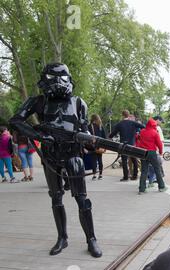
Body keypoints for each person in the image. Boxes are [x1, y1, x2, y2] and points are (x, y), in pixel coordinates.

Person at [9, 63, 102, 257]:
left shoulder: (78, 102)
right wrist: (39, 135)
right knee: (56, 197)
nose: (59, 82)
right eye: (54, 77)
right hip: (50, 156)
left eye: (63, 77)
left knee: (82, 199)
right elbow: (16, 120)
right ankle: (62, 237)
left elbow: (84, 127)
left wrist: (89, 140)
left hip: (73, 154)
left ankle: (91, 238)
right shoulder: (38, 101)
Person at [109, 110, 144, 181]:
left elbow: (113, 134)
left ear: (122, 115)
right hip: (132, 144)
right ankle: (135, 176)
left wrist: (109, 137)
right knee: (134, 160)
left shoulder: (120, 124)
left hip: (123, 145)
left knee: (124, 161)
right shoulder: (133, 123)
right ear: (129, 115)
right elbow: (143, 127)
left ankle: (125, 177)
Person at [135, 118, 166, 194]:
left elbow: (138, 138)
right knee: (157, 169)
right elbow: (159, 144)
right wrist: (161, 152)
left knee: (144, 171)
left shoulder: (142, 131)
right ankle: (161, 187)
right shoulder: (155, 133)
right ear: (153, 125)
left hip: (143, 153)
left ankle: (142, 189)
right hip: (152, 153)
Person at [88, 114, 106, 180]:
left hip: (93, 146)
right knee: (100, 160)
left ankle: (94, 175)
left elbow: (88, 137)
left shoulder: (89, 126)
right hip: (100, 146)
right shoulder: (101, 126)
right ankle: (100, 175)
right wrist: (104, 147)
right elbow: (104, 137)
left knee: (94, 161)